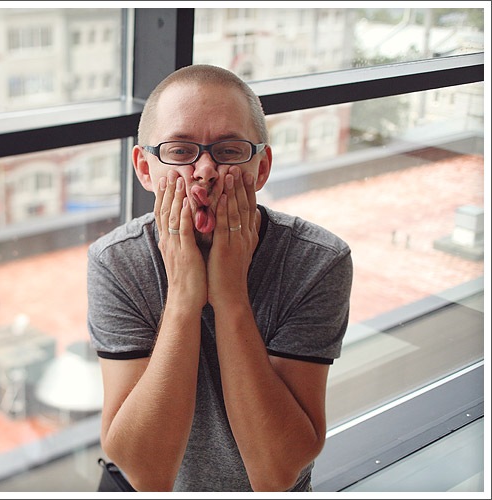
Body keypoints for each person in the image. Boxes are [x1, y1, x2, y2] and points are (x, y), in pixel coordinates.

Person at [86, 64, 353, 492]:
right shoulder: (117, 262)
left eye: (229, 151)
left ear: (261, 168)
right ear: (144, 168)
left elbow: (276, 475)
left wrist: (230, 297)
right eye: (179, 151)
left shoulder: (317, 260)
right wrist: (182, 298)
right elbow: (147, 475)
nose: (205, 170)